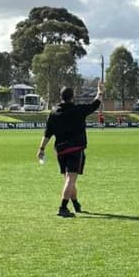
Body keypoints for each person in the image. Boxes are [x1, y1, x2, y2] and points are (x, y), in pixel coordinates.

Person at [36, 82, 103, 217]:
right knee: (71, 180)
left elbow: (47, 133)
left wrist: (41, 148)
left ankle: (76, 204)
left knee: (69, 179)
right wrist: (100, 92)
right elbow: (96, 103)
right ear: (73, 97)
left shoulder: (54, 113)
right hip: (75, 149)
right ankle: (63, 208)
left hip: (61, 151)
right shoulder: (78, 110)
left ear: (61, 97)